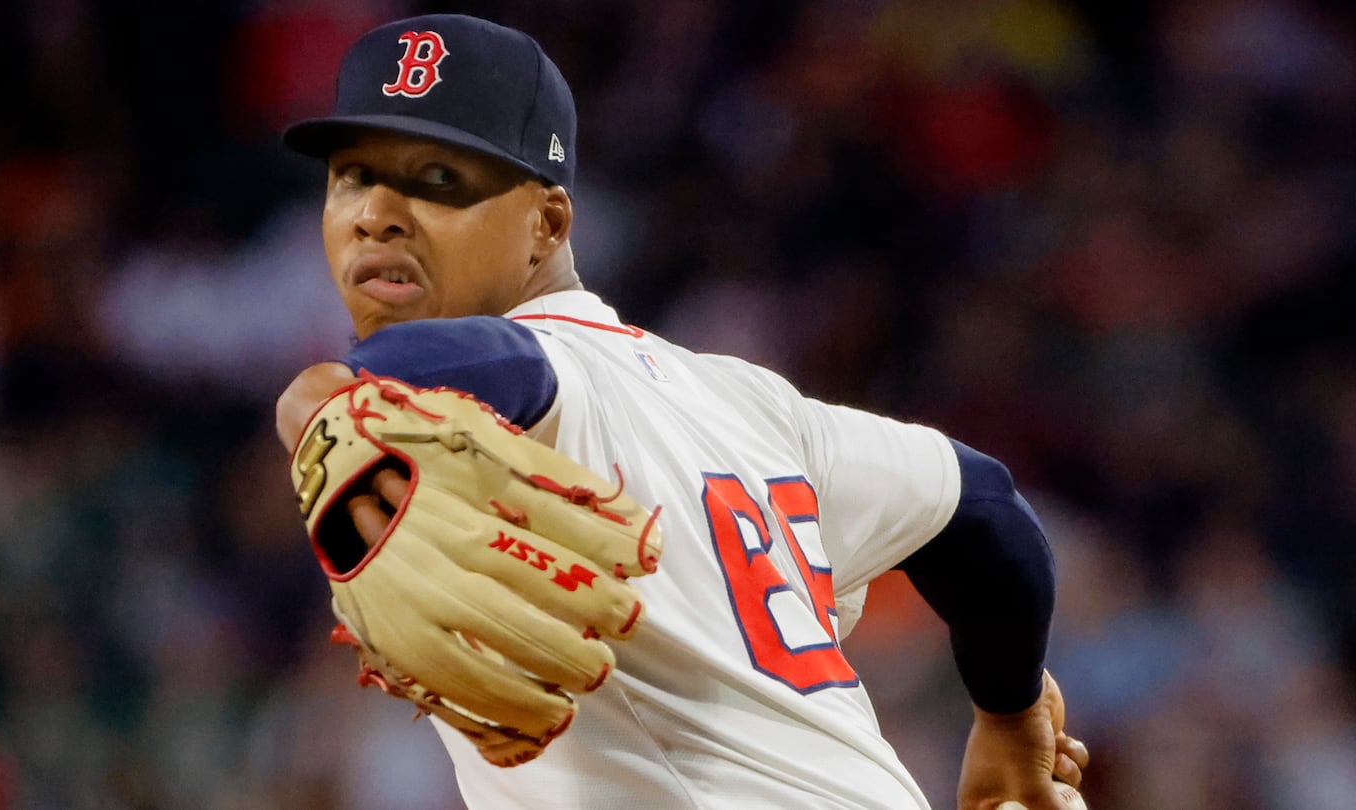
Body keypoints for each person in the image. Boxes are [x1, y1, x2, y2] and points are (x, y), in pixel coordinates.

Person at [274, 13, 1089, 810]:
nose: (374, 213)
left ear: (548, 221)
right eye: (353, 175)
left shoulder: (536, 373)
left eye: (436, 180)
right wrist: (1011, 726)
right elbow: (985, 510)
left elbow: (469, 368)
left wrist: (319, 406)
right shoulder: (755, 408)